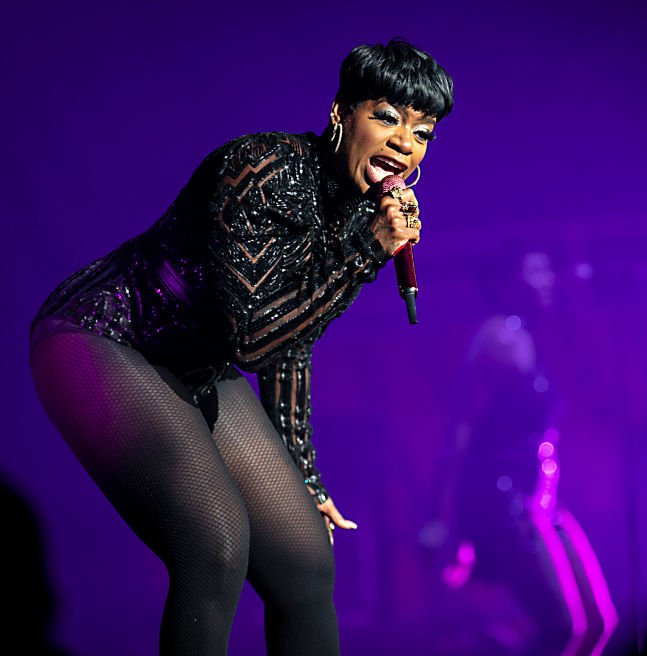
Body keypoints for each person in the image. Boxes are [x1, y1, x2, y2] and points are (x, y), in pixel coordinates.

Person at [28, 39, 453, 655]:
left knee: (306, 560)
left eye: (421, 133)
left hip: (196, 361)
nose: (403, 142)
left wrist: (305, 475)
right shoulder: (261, 168)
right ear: (341, 113)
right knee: (215, 543)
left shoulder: (363, 212)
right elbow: (254, 337)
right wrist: (364, 255)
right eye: (386, 117)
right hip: (99, 335)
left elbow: (291, 340)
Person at [422, 251, 617, 655]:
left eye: (548, 269)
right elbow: (463, 428)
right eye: (536, 270)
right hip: (506, 499)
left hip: (540, 499)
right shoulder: (498, 338)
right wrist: (445, 517)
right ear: (504, 283)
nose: (549, 279)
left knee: (598, 623)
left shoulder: (522, 336)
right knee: (564, 627)